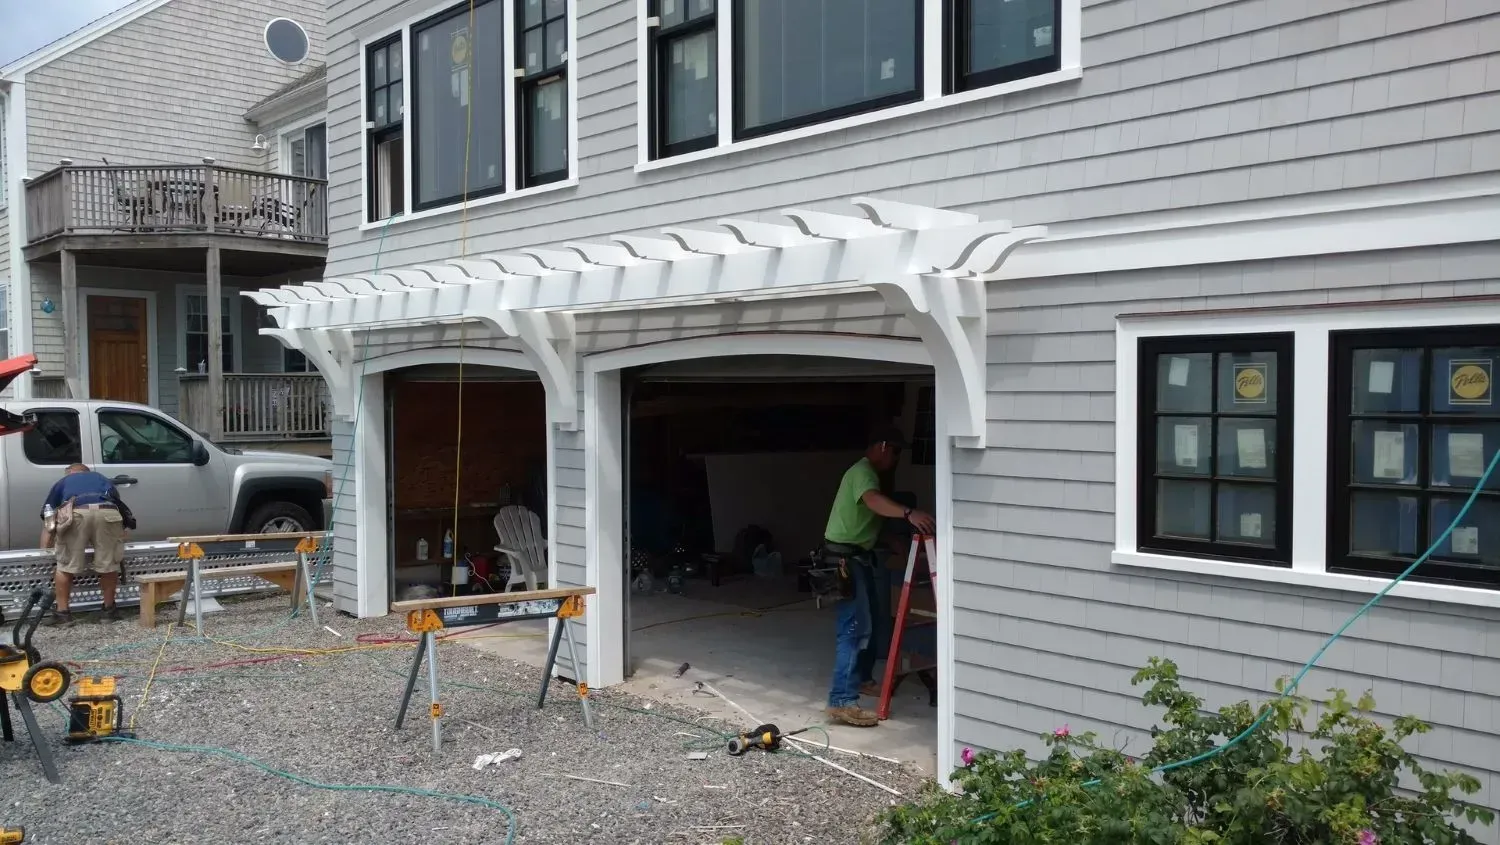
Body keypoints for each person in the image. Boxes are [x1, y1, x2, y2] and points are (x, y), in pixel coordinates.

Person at [821, 427, 936, 727]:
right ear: (883, 446)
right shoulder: (863, 473)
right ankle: (841, 700)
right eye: (895, 452)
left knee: (869, 621)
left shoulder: (870, 474)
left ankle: (861, 680)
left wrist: (891, 540)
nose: (896, 459)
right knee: (853, 629)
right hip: (845, 560)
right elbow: (872, 501)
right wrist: (909, 513)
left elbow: (865, 517)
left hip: (858, 557)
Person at [40, 463, 136, 626]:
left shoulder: (64, 482)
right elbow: (117, 504)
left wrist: (45, 550)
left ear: (70, 472)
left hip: (77, 512)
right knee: (108, 564)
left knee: (65, 566)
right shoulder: (102, 479)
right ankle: (109, 612)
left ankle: (63, 614)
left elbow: (49, 516)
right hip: (108, 512)